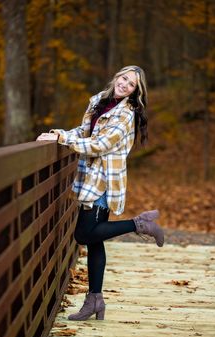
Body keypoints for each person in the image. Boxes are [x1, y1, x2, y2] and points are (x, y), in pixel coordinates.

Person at [37, 65, 164, 321]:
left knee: (84, 235)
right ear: (117, 77)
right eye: (124, 78)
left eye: (131, 84)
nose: (125, 84)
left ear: (135, 92)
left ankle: (139, 224)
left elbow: (100, 144)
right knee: (95, 241)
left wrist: (63, 141)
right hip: (90, 176)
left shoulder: (126, 113)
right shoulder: (99, 101)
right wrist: (58, 134)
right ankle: (95, 301)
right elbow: (85, 133)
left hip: (104, 180)